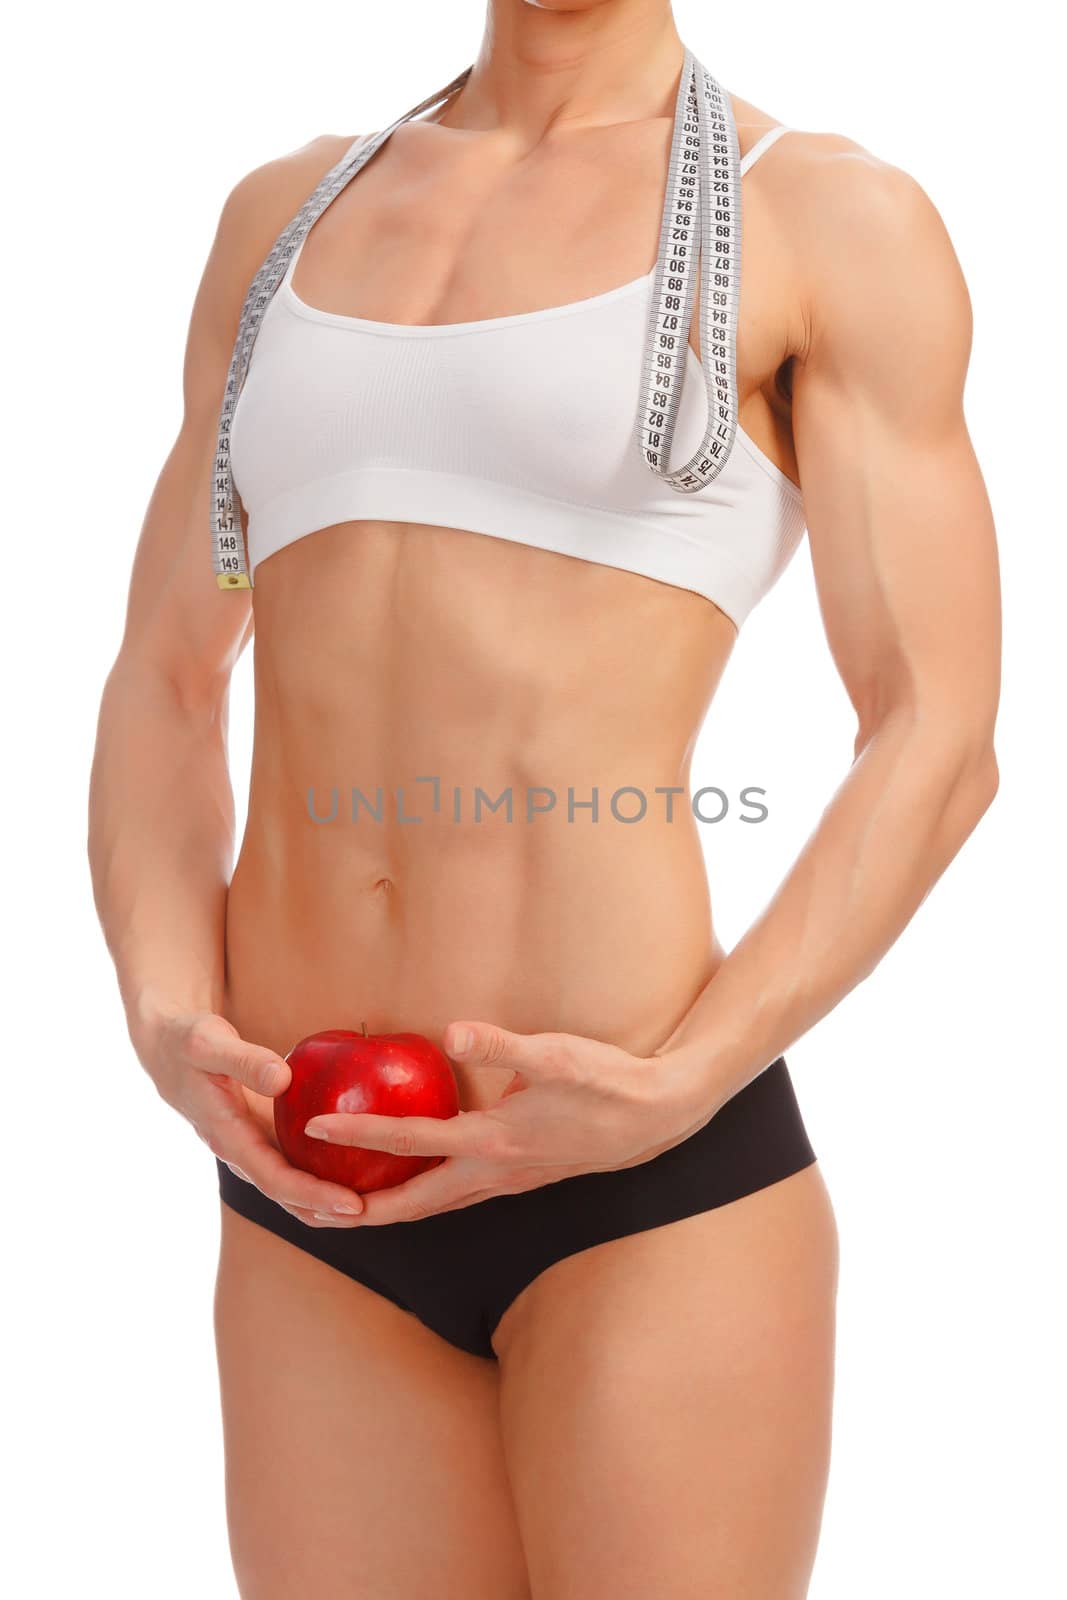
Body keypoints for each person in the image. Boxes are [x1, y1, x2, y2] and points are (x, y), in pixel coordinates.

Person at [87, 0, 1001, 1594]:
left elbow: (937, 727)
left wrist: (688, 1080)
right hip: (311, 1179)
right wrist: (164, 1006)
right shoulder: (280, 220)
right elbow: (169, 679)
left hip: (638, 1183)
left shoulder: (820, 216)